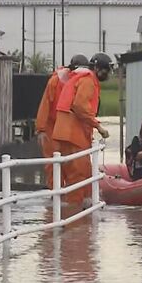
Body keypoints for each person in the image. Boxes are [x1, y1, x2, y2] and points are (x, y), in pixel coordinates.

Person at [51, 52, 112, 205]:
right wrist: (98, 126)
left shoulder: (81, 78)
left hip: (70, 132)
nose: (108, 74)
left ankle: (78, 210)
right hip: (73, 134)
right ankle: (74, 215)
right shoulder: (88, 80)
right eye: (106, 69)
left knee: (80, 172)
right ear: (98, 68)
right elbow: (80, 106)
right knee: (77, 174)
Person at [35, 54, 88, 189]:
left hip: (67, 127)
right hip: (51, 127)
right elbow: (45, 104)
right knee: (53, 164)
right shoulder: (55, 82)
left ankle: (72, 195)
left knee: (73, 163)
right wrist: (41, 129)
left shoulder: (80, 82)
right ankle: (56, 194)